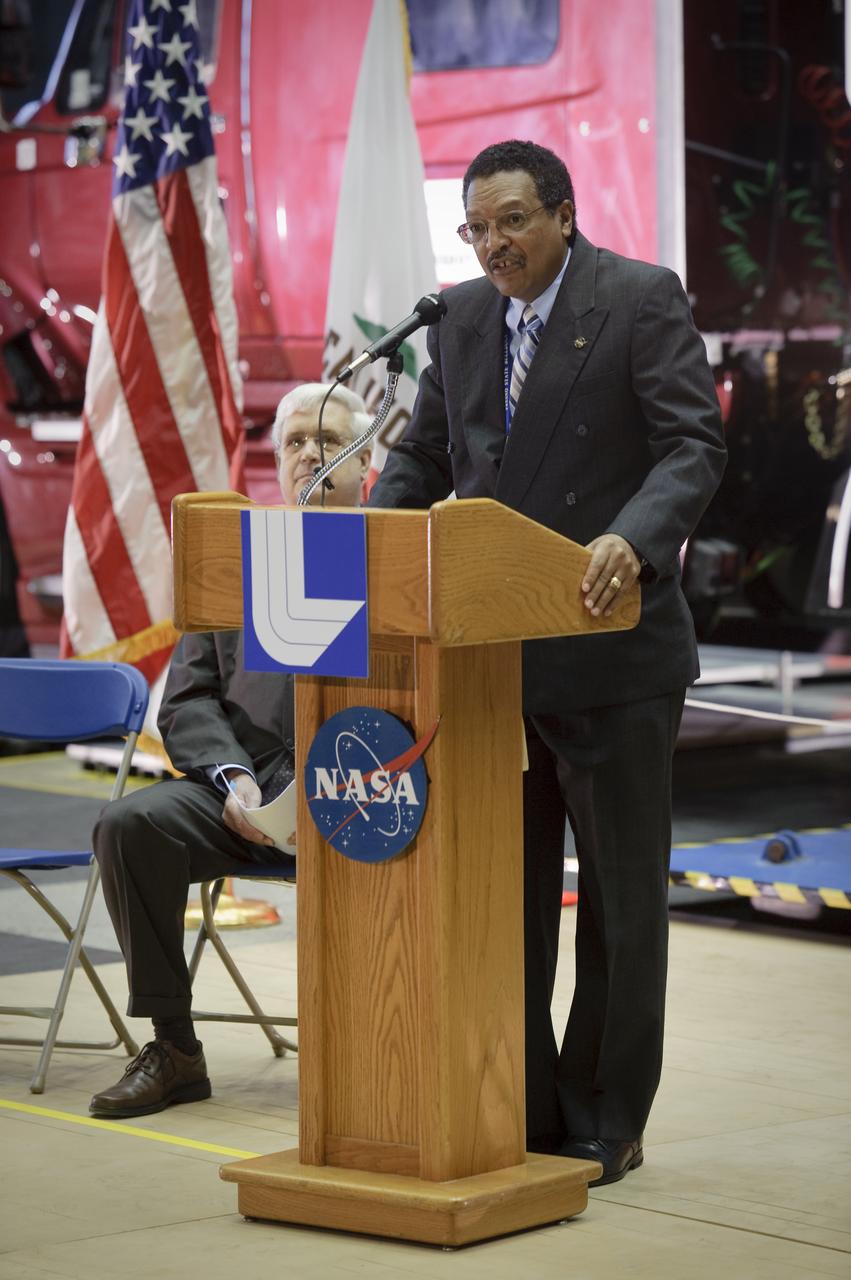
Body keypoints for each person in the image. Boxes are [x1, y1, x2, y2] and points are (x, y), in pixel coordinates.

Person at [367, 140, 727, 1184]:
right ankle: (517, 1099)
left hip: (612, 652)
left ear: (562, 214)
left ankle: (607, 1113)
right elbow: (424, 453)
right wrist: (375, 535)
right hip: (493, 663)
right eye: (476, 228)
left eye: (511, 222)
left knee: (617, 905)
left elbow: (689, 445)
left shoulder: (637, 299)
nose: (492, 246)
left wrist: (634, 534)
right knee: (503, 897)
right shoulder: (463, 320)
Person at [89, 383, 370, 1119]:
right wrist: (236, 783)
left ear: (367, 464)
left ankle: (378, 1048)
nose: (309, 453)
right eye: (294, 443)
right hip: (240, 802)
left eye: (329, 439)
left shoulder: (395, 562)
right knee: (128, 825)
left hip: (358, 801)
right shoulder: (239, 559)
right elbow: (186, 698)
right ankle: (174, 1047)